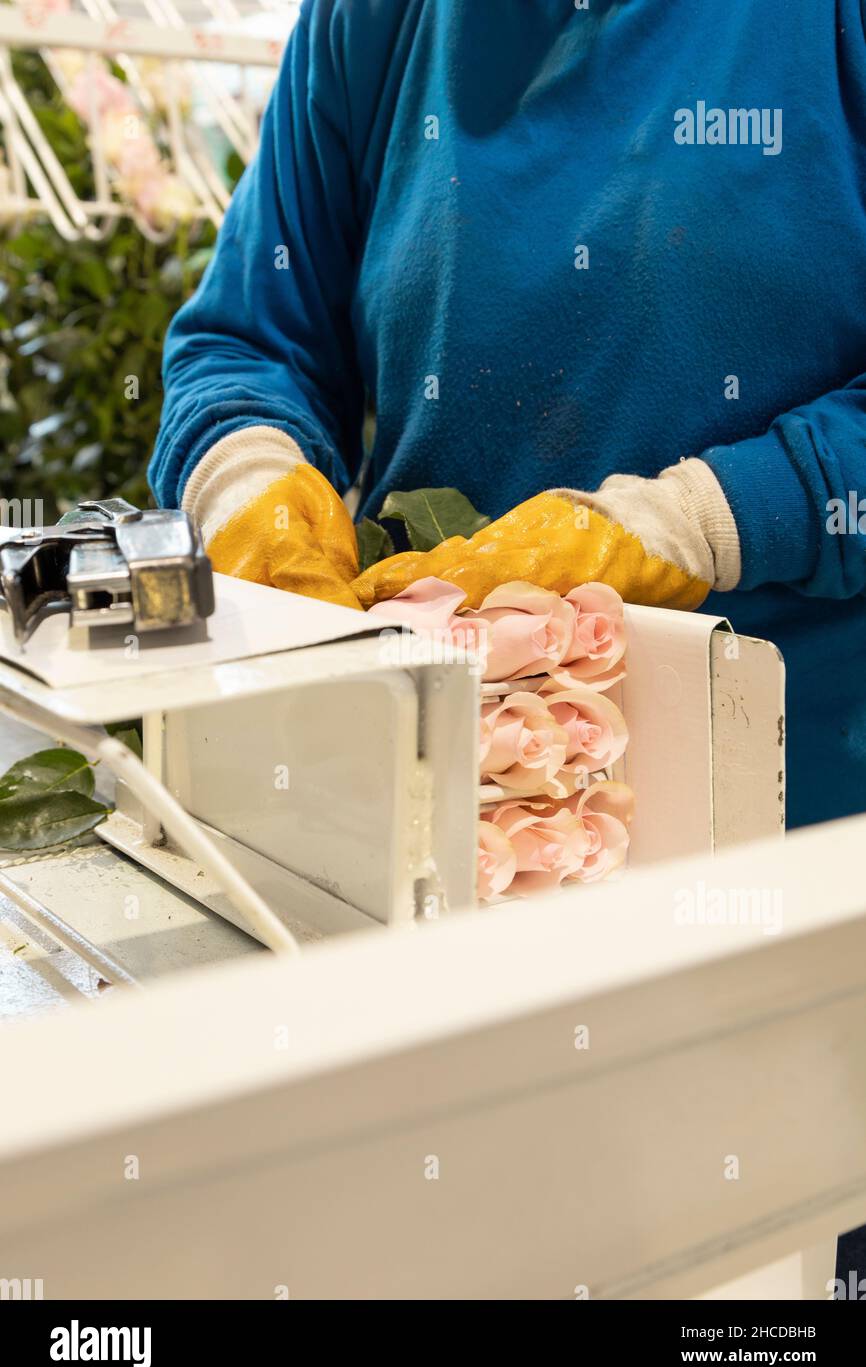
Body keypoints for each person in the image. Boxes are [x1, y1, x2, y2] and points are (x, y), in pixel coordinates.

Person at [150, 0, 866, 1284]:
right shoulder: (372, 24)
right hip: (444, 870)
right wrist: (253, 482)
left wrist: (693, 522)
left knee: (764, 1264)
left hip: (798, 855)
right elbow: (241, 339)